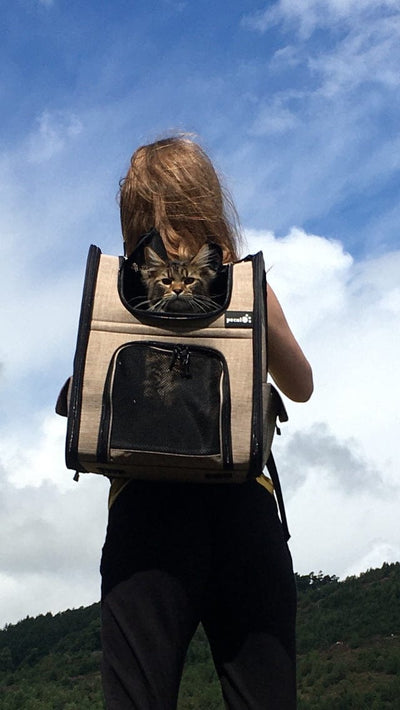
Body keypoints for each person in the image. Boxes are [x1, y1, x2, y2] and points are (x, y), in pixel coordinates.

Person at [100, 135, 313, 709]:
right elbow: (301, 385)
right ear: (208, 200)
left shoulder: (116, 287)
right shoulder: (246, 283)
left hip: (144, 509)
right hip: (242, 505)